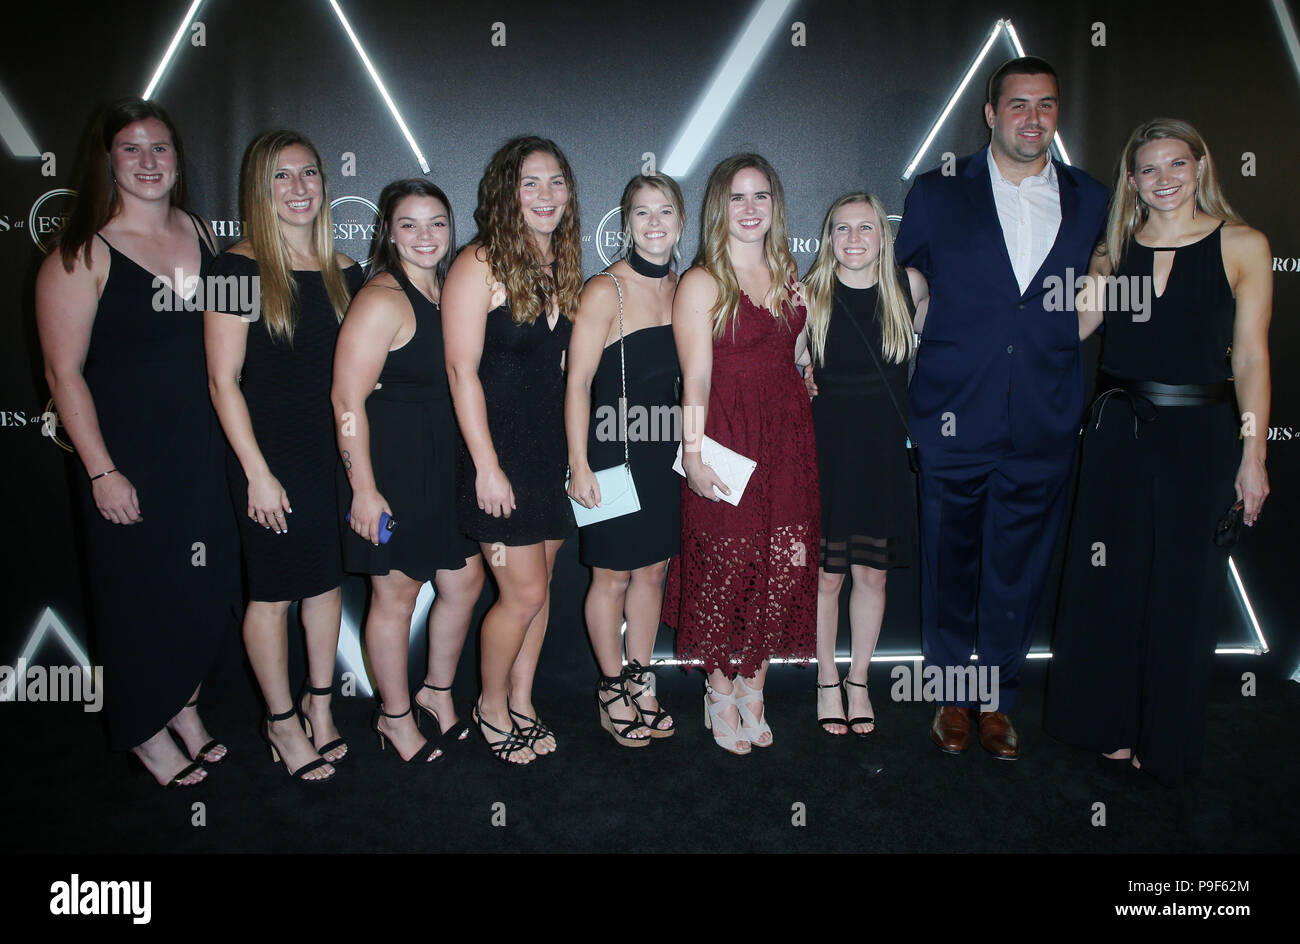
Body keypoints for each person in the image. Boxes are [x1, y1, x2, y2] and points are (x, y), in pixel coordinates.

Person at [1043, 118, 1272, 784]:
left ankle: (1163, 737)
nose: (1164, 179)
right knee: (1109, 585)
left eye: (1176, 164)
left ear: (1200, 167)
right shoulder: (1116, 247)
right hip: (1118, 434)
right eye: (1149, 169)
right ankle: (1107, 725)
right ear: (1132, 180)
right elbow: (1072, 326)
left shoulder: (1241, 244)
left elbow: (1254, 357)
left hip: (1200, 438)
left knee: (1183, 592)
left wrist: (1252, 453)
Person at [894, 56, 1109, 759]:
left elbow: (1098, 281)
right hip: (953, 415)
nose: (1033, 117)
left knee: (1017, 568)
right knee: (949, 564)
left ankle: (996, 700)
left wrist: (1084, 303)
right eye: (1018, 104)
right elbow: (906, 281)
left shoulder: (1090, 198)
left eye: (1046, 105)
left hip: (1044, 419)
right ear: (991, 114)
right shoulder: (936, 191)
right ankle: (952, 698)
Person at [36, 97, 240, 789]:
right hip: (131, 459)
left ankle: (181, 706)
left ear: (177, 159)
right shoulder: (81, 252)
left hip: (205, 453)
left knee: (202, 588)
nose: (149, 161)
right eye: (131, 148)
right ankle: (143, 730)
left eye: (160, 147)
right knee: (138, 598)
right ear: (108, 162)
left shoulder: (202, 231)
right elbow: (62, 374)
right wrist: (101, 472)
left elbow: (231, 342)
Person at [205, 130, 363, 783]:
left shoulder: (347, 270)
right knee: (270, 596)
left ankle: (319, 708)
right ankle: (279, 722)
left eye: (309, 174)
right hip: (267, 460)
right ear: (259, 189)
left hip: (331, 457)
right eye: (282, 177)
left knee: (326, 588)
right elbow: (222, 381)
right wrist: (257, 473)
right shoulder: (233, 270)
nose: (299, 189)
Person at [662, 153, 819, 755]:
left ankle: (754, 685)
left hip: (788, 439)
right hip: (727, 437)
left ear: (775, 206)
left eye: (761, 196)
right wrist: (694, 454)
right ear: (718, 208)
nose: (751, 208)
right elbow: (694, 381)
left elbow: (794, 356)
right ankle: (719, 689)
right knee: (724, 568)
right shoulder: (703, 281)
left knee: (779, 564)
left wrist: (804, 370)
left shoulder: (788, 270)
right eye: (737, 197)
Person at [332, 179, 485, 764]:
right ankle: (394, 717)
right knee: (396, 596)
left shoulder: (449, 288)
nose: (426, 236)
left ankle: (436, 690)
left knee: (464, 582)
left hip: (445, 469)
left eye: (437, 223)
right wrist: (364, 489)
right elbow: (346, 402)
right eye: (409, 225)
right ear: (388, 233)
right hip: (394, 473)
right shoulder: (381, 299)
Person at [444, 136, 581, 765]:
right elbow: (459, 370)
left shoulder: (561, 260)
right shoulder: (479, 261)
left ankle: (522, 701)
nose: (546, 195)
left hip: (547, 451)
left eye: (556, 182)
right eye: (531, 182)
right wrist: (486, 466)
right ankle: (490, 706)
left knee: (542, 586)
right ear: (507, 191)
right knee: (521, 593)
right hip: (496, 456)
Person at [802, 193, 929, 735]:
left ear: (884, 235)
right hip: (827, 454)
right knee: (826, 579)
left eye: (866, 228)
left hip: (881, 457)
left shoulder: (911, 287)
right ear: (828, 238)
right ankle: (826, 679)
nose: (854, 239)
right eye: (842, 229)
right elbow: (783, 370)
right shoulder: (810, 296)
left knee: (871, 576)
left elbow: (941, 356)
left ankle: (860, 681)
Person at [566, 173, 684, 746]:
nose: (655, 223)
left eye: (665, 212)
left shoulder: (684, 288)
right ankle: (610, 686)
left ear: (681, 222)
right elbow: (577, 384)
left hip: (665, 454)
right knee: (610, 577)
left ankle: (641, 677)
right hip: (610, 453)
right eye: (642, 213)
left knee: (654, 571)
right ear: (626, 222)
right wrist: (579, 464)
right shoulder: (603, 291)